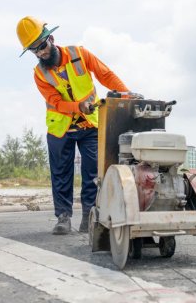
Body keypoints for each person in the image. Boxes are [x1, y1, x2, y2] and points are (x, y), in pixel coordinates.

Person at [16, 16, 129, 235]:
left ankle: (89, 215)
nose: (40, 54)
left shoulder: (80, 54)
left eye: (41, 47)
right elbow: (56, 102)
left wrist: (126, 94)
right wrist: (78, 106)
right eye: (34, 50)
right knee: (60, 174)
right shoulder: (40, 73)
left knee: (92, 173)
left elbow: (105, 74)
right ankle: (63, 217)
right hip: (60, 129)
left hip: (90, 126)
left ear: (51, 39)